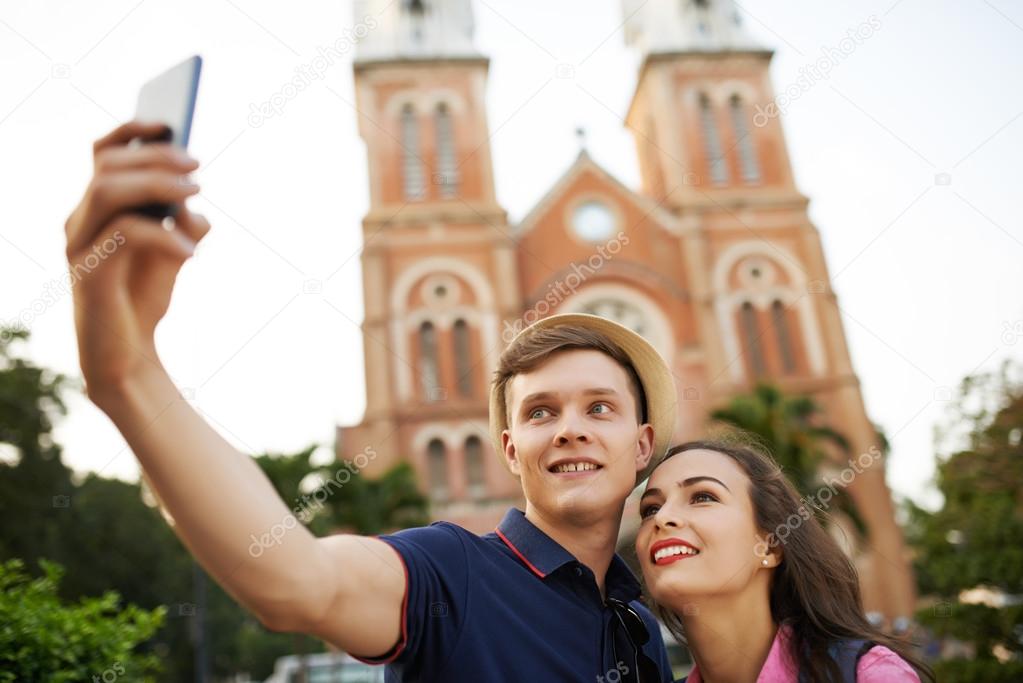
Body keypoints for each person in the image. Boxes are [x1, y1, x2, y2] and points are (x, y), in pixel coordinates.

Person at [64, 121, 681, 681]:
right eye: (540, 411)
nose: (570, 429)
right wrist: (127, 376)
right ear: (511, 450)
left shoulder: (639, 622)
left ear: (644, 445)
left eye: (599, 407)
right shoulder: (452, 573)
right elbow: (297, 581)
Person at [635, 440, 934, 683]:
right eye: (650, 509)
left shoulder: (867, 675)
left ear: (771, 544)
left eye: (702, 497)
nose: (662, 518)